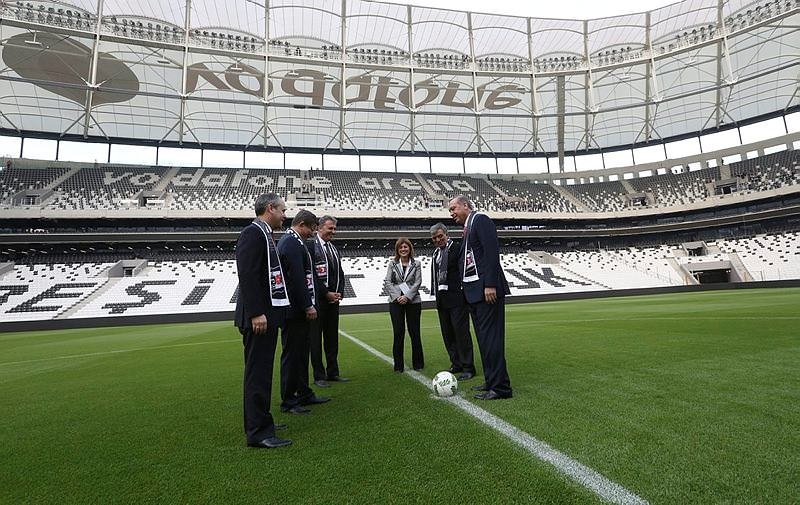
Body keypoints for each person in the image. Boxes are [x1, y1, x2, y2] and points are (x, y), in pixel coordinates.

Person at [234, 193, 292, 448]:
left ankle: (263, 420)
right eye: (282, 210)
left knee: (264, 372)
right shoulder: (253, 233)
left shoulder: (265, 234)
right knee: (257, 374)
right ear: (270, 208)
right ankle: (257, 431)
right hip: (258, 317)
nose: (284, 214)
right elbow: (246, 274)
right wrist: (256, 312)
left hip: (266, 315)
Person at [448, 195, 512, 400]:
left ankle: (501, 388)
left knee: (492, 341)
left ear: (466, 205)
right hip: (474, 294)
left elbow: (492, 252)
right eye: (450, 211)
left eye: (453, 208)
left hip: (487, 291)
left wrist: (491, 284)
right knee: (484, 341)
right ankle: (491, 380)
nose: (452, 214)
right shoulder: (468, 227)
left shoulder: (481, 219)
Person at [277, 209, 331, 415]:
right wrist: (308, 305)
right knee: (292, 354)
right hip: (294, 310)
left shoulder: (295, 241)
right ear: (301, 225)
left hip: (297, 309)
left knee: (301, 353)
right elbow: (297, 278)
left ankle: (303, 392)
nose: (312, 233)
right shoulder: (290, 242)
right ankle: (289, 400)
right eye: (311, 229)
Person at [429, 222, 475, 381]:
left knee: (461, 334)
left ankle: (468, 367)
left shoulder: (457, 248)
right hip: (442, 299)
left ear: (446, 235)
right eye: (434, 238)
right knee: (448, 334)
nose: (438, 240)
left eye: (440, 236)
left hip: (457, 298)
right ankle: (456, 363)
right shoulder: (435, 254)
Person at [308, 215, 349, 387]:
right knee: (315, 339)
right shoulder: (311, 246)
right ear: (319, 227)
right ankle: (319, 376)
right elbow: (311, 274)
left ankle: (333, 372)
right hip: (318, 302)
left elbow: (340, 272)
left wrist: (339, 293)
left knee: (332, 339)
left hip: (333, 302)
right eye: (330, 228)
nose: (333, 232)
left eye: (334, 229)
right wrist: (326, 293)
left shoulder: (333, 248)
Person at [384, 237, 424, 372]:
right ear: (397, 250)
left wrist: (407, 296)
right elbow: (388, 282)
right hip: (395, 302)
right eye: (400, 247)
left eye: (405, 247)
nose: (403, 249)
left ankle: (418, 364)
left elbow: (418, 282)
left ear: (410, 248)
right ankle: (398, 366)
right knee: (398, 333)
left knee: (415, 333)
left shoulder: (417, 263)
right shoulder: (392, 263)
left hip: (413, 301)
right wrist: (398, 297)